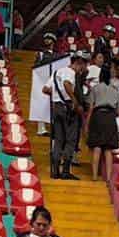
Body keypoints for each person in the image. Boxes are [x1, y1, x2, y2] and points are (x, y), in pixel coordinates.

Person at [46, 50, 86, 179]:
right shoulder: (71, 73)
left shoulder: (57, 72)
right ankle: (65, 171)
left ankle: (55, 171)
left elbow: (46, 89)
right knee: (70, 140)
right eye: (82, 66)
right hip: (68, 108)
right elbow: (66, 84)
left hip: (57, 107)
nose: (82, 69)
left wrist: (59, 95)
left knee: (58, 140)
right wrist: (74, 101)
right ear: (78, 63)